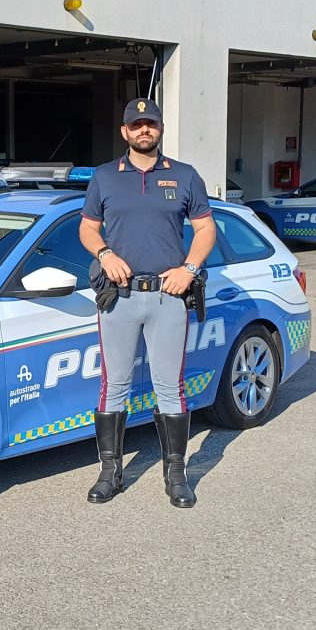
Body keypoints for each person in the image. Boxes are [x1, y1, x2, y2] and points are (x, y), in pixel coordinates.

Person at [79, 98, 216, 508]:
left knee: (169, 388)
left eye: (150, 124)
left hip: (168, 296)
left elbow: (206, 228)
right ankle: (110, 472)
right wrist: (105, 254)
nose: (144, 130)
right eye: (136, 125)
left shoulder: (185, 176)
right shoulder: (104, 177)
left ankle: (177, 475)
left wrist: (189, 268)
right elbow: (87, 229)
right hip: (119, 298)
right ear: (125, 132)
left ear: (159, 129)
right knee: (114, 386)